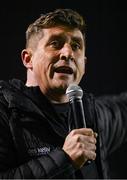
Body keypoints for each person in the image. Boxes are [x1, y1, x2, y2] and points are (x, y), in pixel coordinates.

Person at [0, 8, 127, 179]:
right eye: (55, 43)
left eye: (76, 46)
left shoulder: (95, 115)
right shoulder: (5, 114)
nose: (68, 54)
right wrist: (64, 159)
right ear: (28, 59)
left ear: (84, 63)